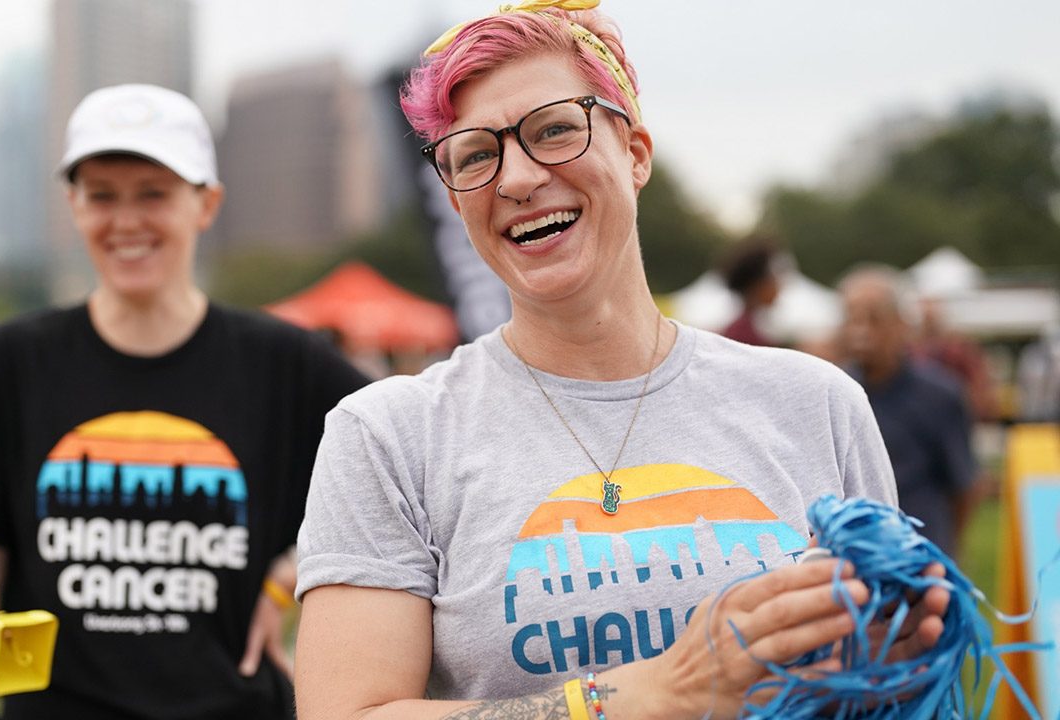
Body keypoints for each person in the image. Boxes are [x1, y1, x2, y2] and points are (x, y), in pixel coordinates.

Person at [294, 3, 949, 718]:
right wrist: (630, 700)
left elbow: (884, 675)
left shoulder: (813, 403)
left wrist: (896, 663)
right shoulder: (391, 436)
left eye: (553, 130)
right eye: (476, 155)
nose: (515, 177)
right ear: (454, 197)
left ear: (635, 152)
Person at [0, 84, 369, 719]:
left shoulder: (286, 362)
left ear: (205, 204)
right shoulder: (11, 359)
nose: (125, 221)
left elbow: (405, 485)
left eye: (153, 194)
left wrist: (291, 573)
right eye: (101, 195)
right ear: (73, 206)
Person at [839, 266, 978, 559]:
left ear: (901, 324)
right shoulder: (834, 393)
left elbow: (963, 485)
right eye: (852, 318)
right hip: (853, 559)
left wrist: (950, 552)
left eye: (874, 319)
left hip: (921, 553)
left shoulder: (940, 395)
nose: (861, 331)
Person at [718, 234, 782, 347]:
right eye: (773, 277)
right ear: (757, 285)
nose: (779, 285)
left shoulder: (755, 328)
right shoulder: (741, 335)